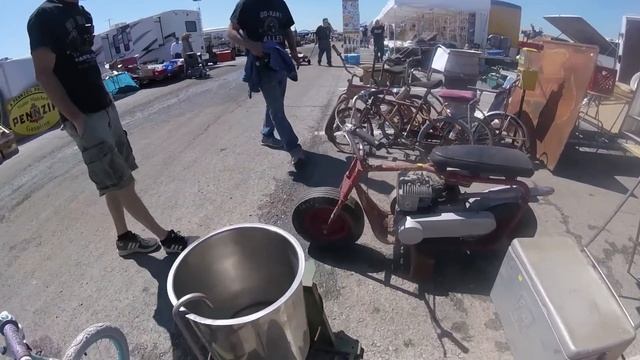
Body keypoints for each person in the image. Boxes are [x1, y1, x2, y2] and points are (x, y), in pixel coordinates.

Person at [28, 0, 188, 256]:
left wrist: (106, 100)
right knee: (120, 181)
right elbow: (44, 73)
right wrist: (76, 117)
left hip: (104, 107)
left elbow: (84, 63)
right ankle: (166, 238)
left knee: (118, 178)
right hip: (84, 116)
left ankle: (124, 238)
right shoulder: (43, 17)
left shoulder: (82, 14)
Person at [227, 0, 305, 167]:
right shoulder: (247, 3)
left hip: (281, 62)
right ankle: (294, 149)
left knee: (276, 104)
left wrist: (294, 52)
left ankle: (267, 135)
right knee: (277, 111)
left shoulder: (280, 3)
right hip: (262, 65)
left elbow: (287, 30)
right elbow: (231, 31)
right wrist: (250, 45)